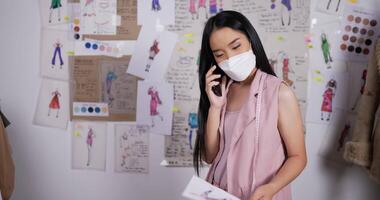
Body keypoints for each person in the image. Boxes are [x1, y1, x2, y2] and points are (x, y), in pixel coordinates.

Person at [193, 11, 307, 200]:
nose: (230, 58)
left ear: (251, 40)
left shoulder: (279, 93)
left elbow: (298, 157)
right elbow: (210, 156)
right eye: (220, 54)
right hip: (219, 194)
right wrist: (214, 107)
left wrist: (272, 188)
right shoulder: (221, 92)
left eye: (236, 46)